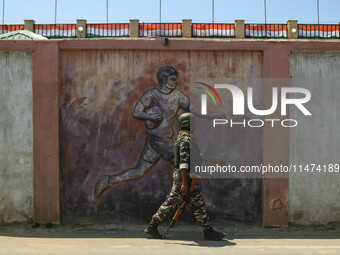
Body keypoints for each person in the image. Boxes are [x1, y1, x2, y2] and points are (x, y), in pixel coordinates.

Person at [94, 66, 223, 198]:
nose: (175, 82)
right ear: (164, 80)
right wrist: (150, 117)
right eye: (172, 79)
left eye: (175, 79)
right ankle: (196, 200)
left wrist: (214, 116)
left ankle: (107, 180)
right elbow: (136, 112)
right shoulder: (152, 95)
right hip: (159, 141)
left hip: (159, 141)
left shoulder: (177, 96)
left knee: (140, 171)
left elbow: (194, 109)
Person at [144, 113, 225, 241]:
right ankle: (152, 226)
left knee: (197, 204)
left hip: (190, 176)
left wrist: (215, 161)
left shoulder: (188, 139)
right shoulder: (186, 140)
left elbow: (198, 155)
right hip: (185, 177)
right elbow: (184, 163)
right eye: (193, 123)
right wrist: (184, 184)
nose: (195, 125)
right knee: (172, 202)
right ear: (188, 124)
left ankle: (208, 231)